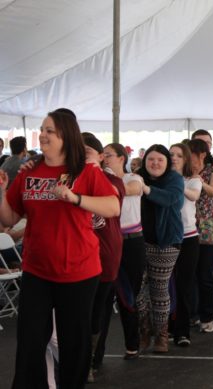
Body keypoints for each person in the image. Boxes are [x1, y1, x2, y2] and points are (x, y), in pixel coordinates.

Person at [0, 109, 120, 389]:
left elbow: (113, 207)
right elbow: (8, 219)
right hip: (36, 269)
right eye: (42, 129)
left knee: (73, 345)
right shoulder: (30, 171)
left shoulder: (86, 171)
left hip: (77, 271)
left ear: (66, 136)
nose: (42, 135)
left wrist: (75, 198)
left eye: (49, 130)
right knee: (30, 342)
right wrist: (2, 191)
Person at [80, 133, 125, 383]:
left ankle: (91, 360)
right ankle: (81, 358)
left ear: (99, 156)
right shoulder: (69, 178)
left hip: (105, 254)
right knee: (80, 311)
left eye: (86, 152)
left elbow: (114, 198)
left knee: (97, 310)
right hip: (76, 255)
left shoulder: (112, 182)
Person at [137, 144, 184, 354]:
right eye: (150, 159)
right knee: (137, 290)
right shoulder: (137, 176)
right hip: (137, 241)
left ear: (167, 162)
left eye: (160, 160)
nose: (155, 163)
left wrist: (145, 189)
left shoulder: (174, 179)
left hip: (165, 242)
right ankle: (144, 331)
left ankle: (161, 335)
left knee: (159, 289)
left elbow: (169, 199)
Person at [102, 142, 146, 361]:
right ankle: (95, 356)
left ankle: (132, 345)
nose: (105, 158)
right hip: (107, 242)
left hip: (131, 243)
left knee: (128, 296)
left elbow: (133, 190)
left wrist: (102, 186)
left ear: (122, 158)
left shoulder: (133, 178)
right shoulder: (101, 179)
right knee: (102, 299)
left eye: (109, 155)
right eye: (103, 155)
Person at [168, 143, 201, 344]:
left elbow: (194, 196)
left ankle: (182, 331)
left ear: (185, 159)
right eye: (171, 154)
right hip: (166, 238)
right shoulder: (160, 180)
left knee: (184, 285)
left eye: (179, 155)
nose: (174, 158)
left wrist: (175, 182)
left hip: (188, 238)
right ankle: (166, 328)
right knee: (164, 286)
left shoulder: (192, 180)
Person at [189, 139, 213, 333]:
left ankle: (207, 315)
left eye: (190, 154)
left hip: (208, 225)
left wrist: (198, 181)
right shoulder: (183, 171)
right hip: (188, 226)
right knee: (189, 272)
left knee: (205, 273)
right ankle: (192, 313)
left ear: (201, 154)